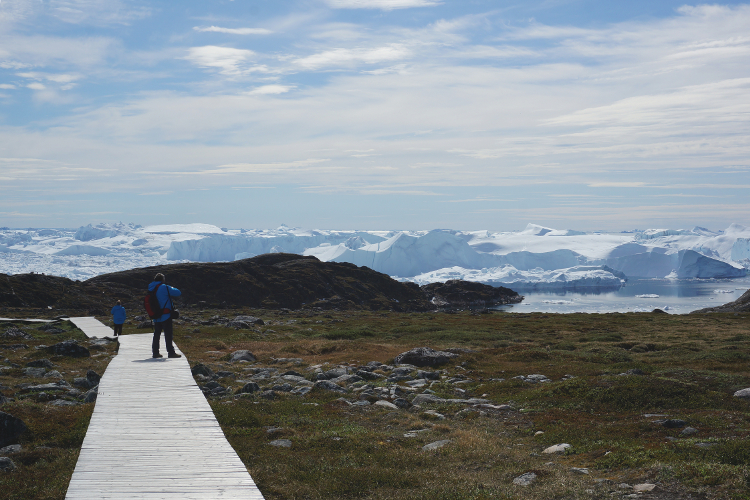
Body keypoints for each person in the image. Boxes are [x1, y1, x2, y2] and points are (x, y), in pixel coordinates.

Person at [148, 273, 182, 359]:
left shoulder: (150, 287)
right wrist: (170, 287)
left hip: (156, 315)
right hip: (165, 315)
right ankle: (171, 352)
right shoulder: (164, 287)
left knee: (157, 334)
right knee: (168, 334)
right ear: (162, 279)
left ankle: (155, 352)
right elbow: (178, 292)